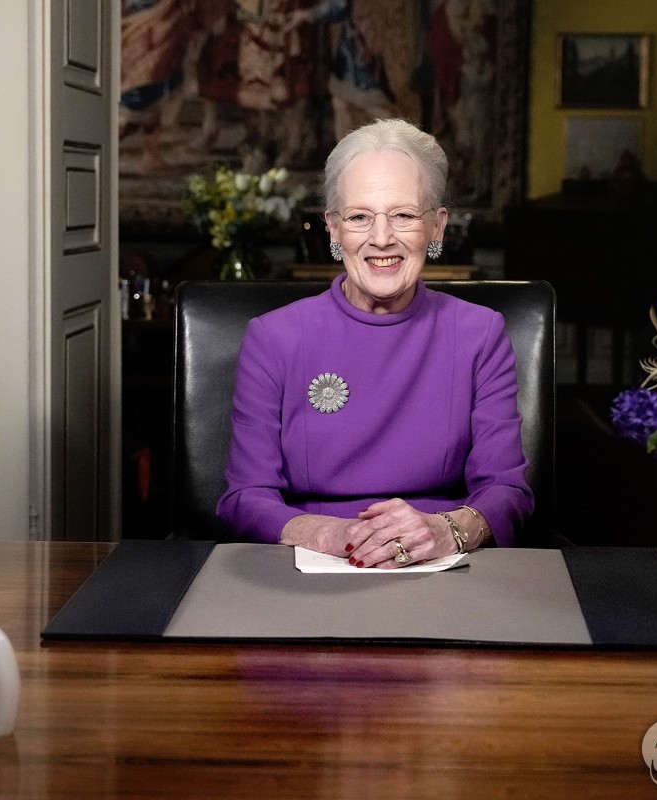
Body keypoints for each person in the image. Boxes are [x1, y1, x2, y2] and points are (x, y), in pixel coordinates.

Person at [216, 118, 533, 568]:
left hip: (440, 568)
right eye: (360, 217)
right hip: (310, 566)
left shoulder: (480, 333)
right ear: (333, 229)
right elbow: (245, 498)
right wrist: (333, 534)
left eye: (403, 215)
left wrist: (446, 530)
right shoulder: (273, 338)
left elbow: (507, 491)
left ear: (436, 227)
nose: (381, 238)